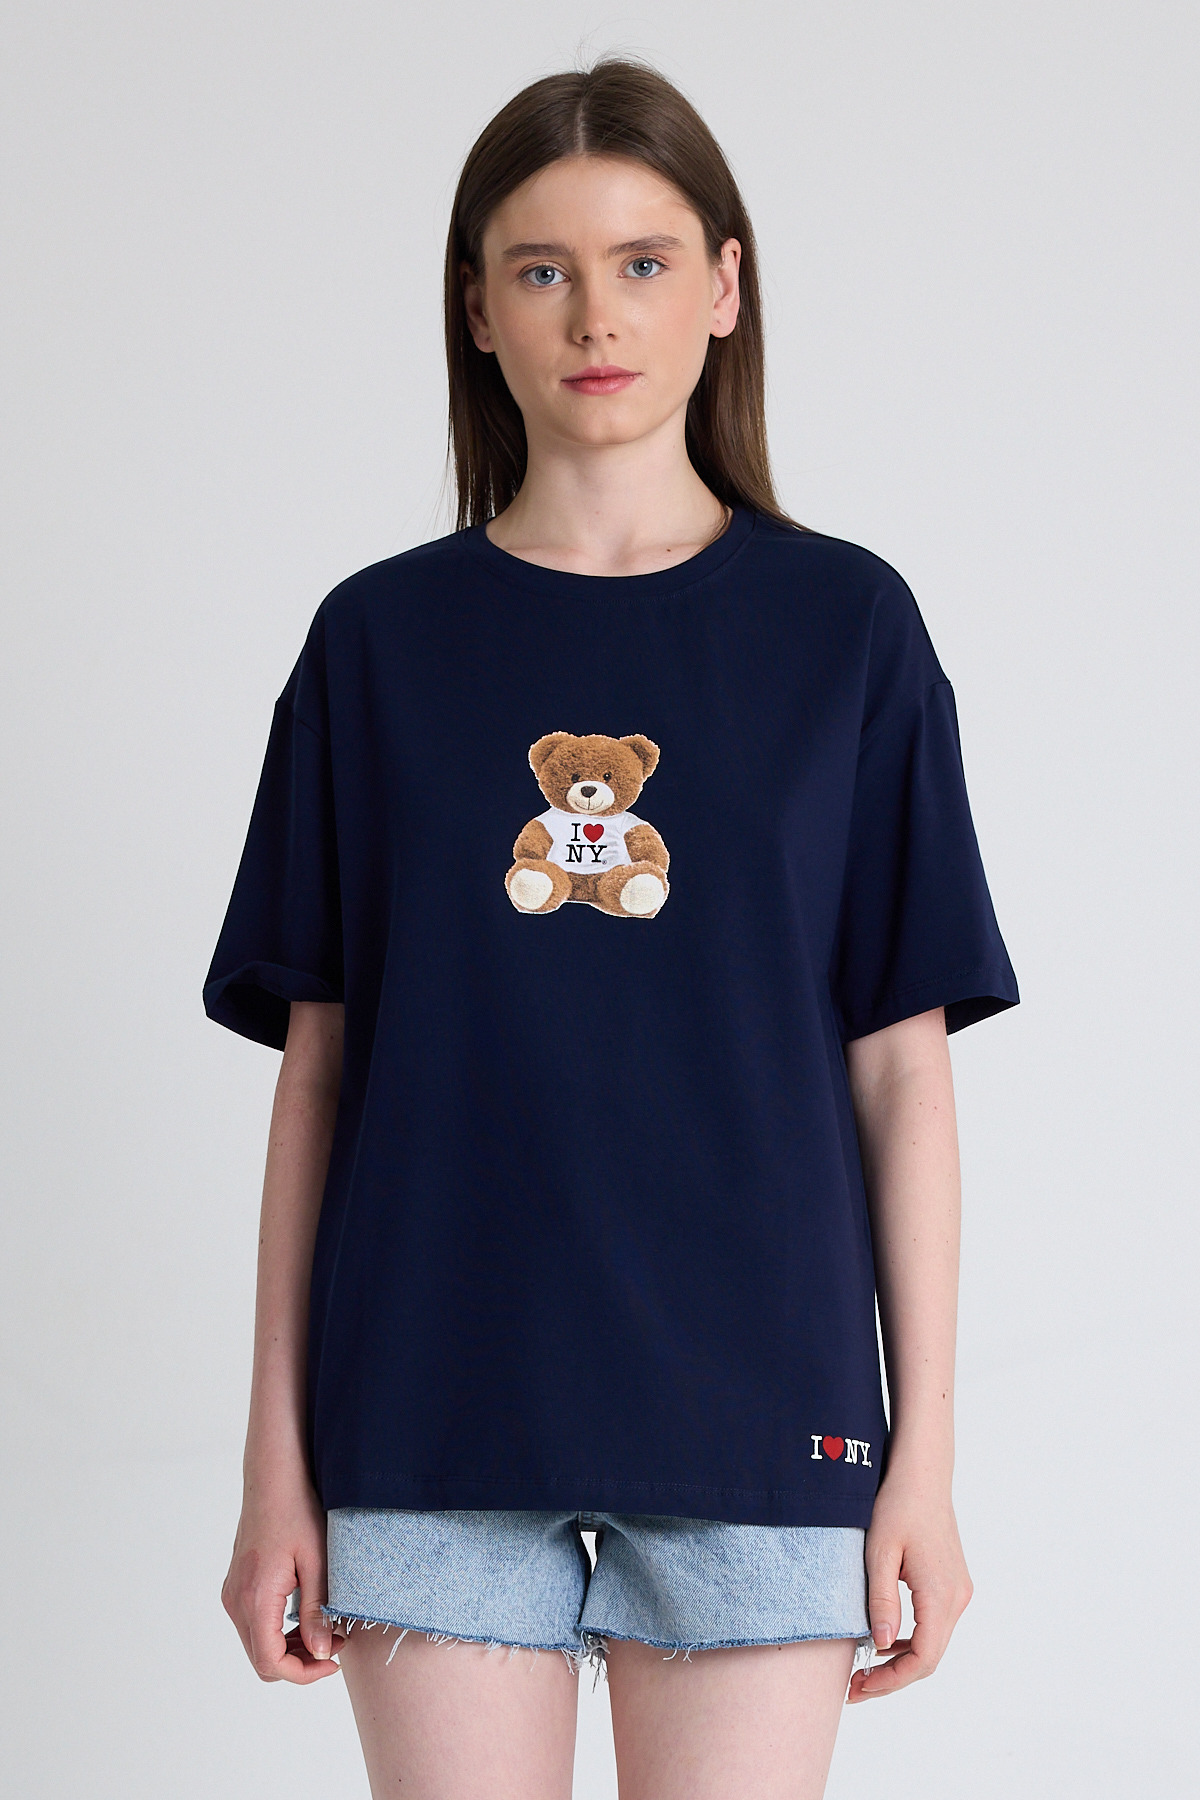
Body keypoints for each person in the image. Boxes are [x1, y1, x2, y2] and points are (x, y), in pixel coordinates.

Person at [205, 58, 1018, 1800]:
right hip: (427, 1404)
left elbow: (902, 1076)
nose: (596, 314)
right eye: (543, 268)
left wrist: (925, 1457)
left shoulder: (849, 631)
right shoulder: (375, 647)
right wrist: (276, 1460)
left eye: (644, 262)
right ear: (476, 309)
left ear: (724, 288)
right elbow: (320, 1079)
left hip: (767, 1408)